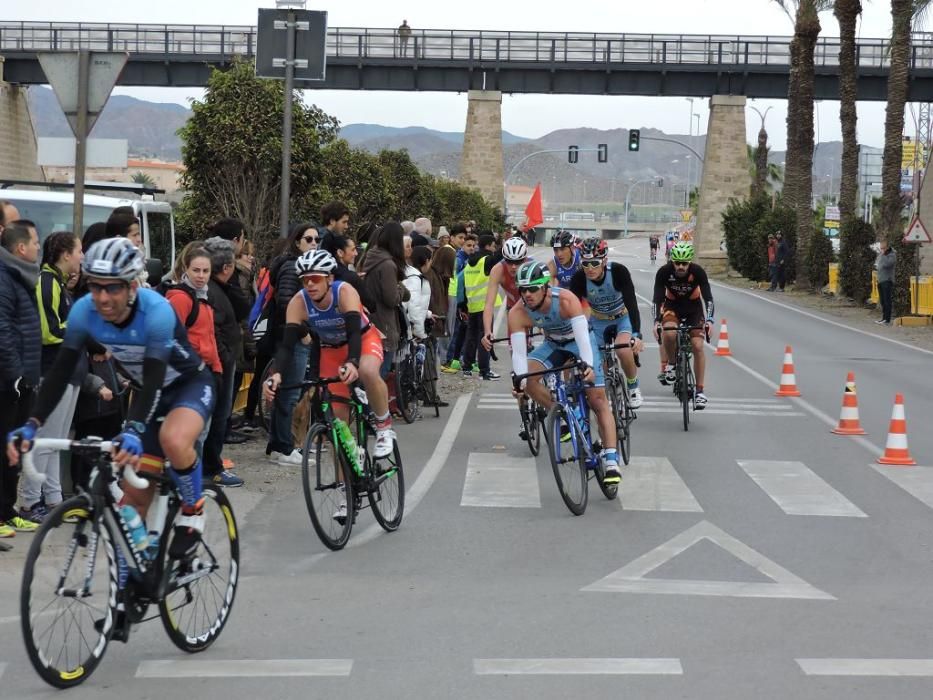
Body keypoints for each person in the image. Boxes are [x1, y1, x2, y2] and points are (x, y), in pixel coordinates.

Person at [7, 238, 215, 566]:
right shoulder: (83, 311)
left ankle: (192, 512)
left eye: (113, 288)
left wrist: (133, 428)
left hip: (187, 386)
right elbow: (61, 373)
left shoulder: (157, 311)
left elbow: (155, 377)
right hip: (149, 391)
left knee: (173, 440)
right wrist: (32, 424)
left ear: (132, 286)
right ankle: (124, 598)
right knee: (129, 506)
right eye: (96, 286)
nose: (102, 298)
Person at [264, 250, 396, 462]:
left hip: (362, 340)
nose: (309, 285)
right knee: (338, 426)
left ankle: (383, 428)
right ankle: (348, 484)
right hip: (330, 350)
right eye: (305, 280)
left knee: (368, 370)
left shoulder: (344, 292)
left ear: (330, 278)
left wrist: (353, 362)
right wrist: (276, 374)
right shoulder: (298, 303)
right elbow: (287, 346)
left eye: (315, 279)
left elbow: (354, 331)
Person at [506, 262, 622, 483]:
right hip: (553, 344)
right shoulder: (518, 312)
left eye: (532, 288)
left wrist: (587, 365)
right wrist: (518, 383)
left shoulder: (566, 300)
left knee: (597, 400)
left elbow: (583, 337)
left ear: (545, 287)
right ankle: (563, 413)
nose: (527, 294)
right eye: (522, 289)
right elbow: (520, 355)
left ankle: (611, 460)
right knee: (527, 381)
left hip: (579, 342)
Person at [19, 231, 86, 523]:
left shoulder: (59, 283)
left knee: (57, 441)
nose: (82, 256)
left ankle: (54, 498)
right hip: (52, 372)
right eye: (79, 250)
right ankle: (30, 502)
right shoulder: (47, 282)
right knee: (46, 440)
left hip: (69, 373)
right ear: (65, 253)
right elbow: (49, 332)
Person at [263, 223, 320, 466]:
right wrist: (304, 331)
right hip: (292, 336)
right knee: (289, 392)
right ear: (297, 242)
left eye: (317, 239)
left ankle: (281, 445)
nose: (314, 243)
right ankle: (283, 447)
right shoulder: (291, 268)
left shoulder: (300, 267)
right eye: (308, 239)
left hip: (293, 335)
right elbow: (287, 303)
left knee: (288, 391)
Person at [0, 222, 42, 538]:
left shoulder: (21, 277)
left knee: (14, 445)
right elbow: (3, 331)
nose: (39, 248)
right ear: (21, 249)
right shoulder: (5, 279)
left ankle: (7, 510)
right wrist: (14, 373)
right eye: (35, 243)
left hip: (24, 378)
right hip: (8, 381)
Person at [569, 237, 644, 408]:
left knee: (623, 349)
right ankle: (604, 399)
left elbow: (632, 304)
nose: (589, 269)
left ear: (604, 260)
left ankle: (633, 387)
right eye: (585, 263)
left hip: (621, 318)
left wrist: (636, 334)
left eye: (594, 263)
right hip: (598, 322)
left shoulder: (618, 272)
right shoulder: (579, 279)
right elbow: (571, 309)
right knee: (597, 364)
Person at [202, 237, 249, 487]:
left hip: (222, 360)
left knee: (218, 415)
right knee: (216, 416)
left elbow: (242, 309)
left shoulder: (220, 288)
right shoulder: (211, 291)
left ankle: (210, 465)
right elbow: (215, 329)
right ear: (227, 267)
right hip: (218, 363)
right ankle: (210, 468)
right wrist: (223, 358)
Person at [652, 241, 714, 409]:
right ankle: (671, 364)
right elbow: (657, 299)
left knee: (697, 346)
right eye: (677, 263)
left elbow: (708, 298)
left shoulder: (698, 272)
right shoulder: (664, 272)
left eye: (684, 263)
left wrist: (709, 320)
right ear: (672, 262)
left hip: (694, 309)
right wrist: (656, 321)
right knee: (670, 333)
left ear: (690, 262)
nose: (680, 267)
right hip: (672, 307)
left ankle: (700, 391)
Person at [361, 222, 410, 378]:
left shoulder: (370, 258)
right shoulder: (388, 265)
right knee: (378, 376)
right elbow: (391, 298)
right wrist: (400, 288)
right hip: (384, 325)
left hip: (370, 322)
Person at [459, 233, 501, 381]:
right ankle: (484, 371)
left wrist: (463, 305)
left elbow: (464, 284)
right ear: (489, 245)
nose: (494, 248)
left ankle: (467, 368)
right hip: (485, 306)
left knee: (471, 338)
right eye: (493, 246)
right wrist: (520, 234)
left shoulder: (469, 261)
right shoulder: (487, 260)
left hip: (471, 305)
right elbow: (504, 254)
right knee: (485, 337)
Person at [876, 240, 896, 325]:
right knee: (882, 301)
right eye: (881, 246)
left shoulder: (892, 255)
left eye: (883, 247)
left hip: (887, 280)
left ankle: (887, 319)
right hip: (880, 280)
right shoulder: (881, 254)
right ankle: (883, 318)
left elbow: (888, 264)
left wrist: (883, 254)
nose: (881, 248)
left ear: (887, 246)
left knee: (887, 300)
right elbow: (878, 263)